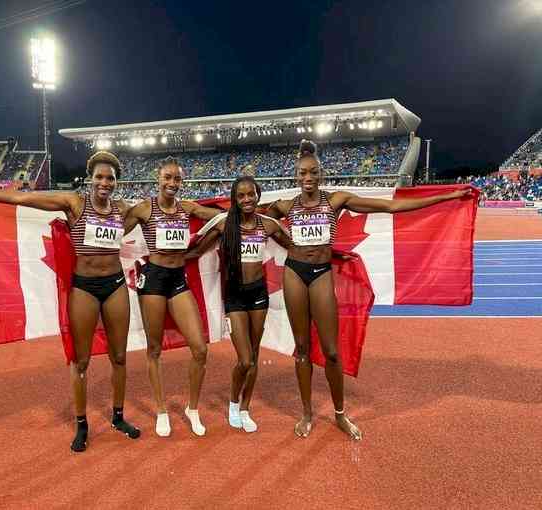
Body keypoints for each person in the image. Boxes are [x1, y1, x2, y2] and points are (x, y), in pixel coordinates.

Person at [267, 140, 471, 440]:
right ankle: (307, 412)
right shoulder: (285, 206)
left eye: (312, 172)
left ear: (321, 174)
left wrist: (448, 195)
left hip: (322, 274)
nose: (307, 178)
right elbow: (256, 220)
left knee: (332, 352)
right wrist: (287, 242)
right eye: (302, 173)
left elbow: (391, 206)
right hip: (294, 274)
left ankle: (339, 414)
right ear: (295, 176)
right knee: (302, 350)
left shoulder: (335, 201)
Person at [0, 151, 140, 452]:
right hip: (85, 289)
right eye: (100, 177)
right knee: (81, 360)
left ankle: (118, 416)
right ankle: (82, 424)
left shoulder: (123, 208)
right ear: (91, 179)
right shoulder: (74, 204)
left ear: (116, 182)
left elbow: (163, 213)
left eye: (110, 178)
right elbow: (21, 199)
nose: (105, 182)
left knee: (119, 357)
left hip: (115, 286)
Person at [122, 156, 222, 437]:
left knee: (200, 348)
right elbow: (115, 229)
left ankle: (192, 408)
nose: (172, 183)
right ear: (158, 178)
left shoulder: (187, 208)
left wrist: (246, 214)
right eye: (167, 177)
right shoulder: (144, 209)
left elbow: (220, 218)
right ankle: (162, 410)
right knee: (154, 350)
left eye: (177, 179)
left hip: (178, 280)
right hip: (152, 280)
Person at [187, 176, 291, 432]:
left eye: (251, 195)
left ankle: (245, 408)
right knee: (244, 360)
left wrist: (326, 254)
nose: (246, 200)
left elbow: (296, 247)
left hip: (258, 295)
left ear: (258, 195)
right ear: (235, 199)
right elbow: (197, 252)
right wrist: (164, 260)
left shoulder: (268, 225)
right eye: (241, 196)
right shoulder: (224, 224)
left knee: (254, 357)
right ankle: (233, 403)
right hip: (234, 297)